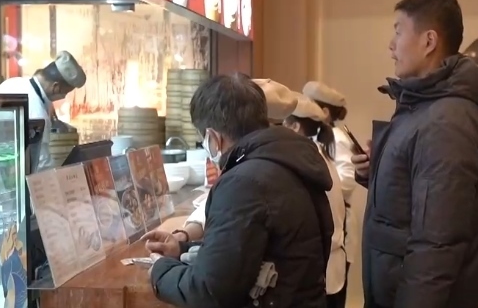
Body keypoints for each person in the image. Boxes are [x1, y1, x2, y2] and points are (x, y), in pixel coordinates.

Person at [351, 0, 478, 308]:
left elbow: (437, 243)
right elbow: (416, 195)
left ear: (429, 41)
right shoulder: (422, 106)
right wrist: (378, 170)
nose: (391, 46)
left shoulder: (447, 121)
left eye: (398, 31)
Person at [148, 74, 334, 308]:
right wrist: (183, 248)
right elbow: (249, 250)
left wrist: (161, 271)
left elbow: (209, 291)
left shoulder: (243, 182)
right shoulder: (291, 159)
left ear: (213, 137)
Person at [151, 78, 300, 245]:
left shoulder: (256, 170)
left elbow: (224, 249)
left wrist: (170, 258)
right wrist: (185, 235)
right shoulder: (288, 153)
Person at [283, 94, 348, 308]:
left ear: (294, 127)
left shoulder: (306, 161)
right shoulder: (318, 155)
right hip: (329, 266)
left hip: (321, 269)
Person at [302, 80, 358, 292]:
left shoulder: (336, 138)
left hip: (340, 225)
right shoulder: (315, 138)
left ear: (324, 112)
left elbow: (347, 180)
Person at [0, 51, 86, 170]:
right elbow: (41, 163)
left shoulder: (13, 82)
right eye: (65, 92)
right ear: (55, 87)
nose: (63, 97)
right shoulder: (37, 114)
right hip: (7, 168)